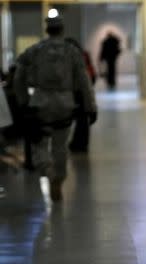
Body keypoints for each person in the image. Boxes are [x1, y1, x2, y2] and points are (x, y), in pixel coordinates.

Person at [14, 12, 97, 202]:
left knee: (39, 143)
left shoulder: (35, 50)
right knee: (60, 145)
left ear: (47, 29)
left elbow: (19, 75)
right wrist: (90, 106)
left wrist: (23, 100)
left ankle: (48, 171)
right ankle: (59, 176)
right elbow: (84, 81)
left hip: (41, 101)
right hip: (65, 103)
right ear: (62, 29)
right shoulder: (72, 51)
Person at [65, 37, 97, 153]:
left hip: (72, 93)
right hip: (79, 93)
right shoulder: (81, 56)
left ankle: (77, 143)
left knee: (80, 119)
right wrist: (92, 108)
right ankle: (80, 144)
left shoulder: (66, 60)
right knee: (82, 119)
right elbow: (87, 85)